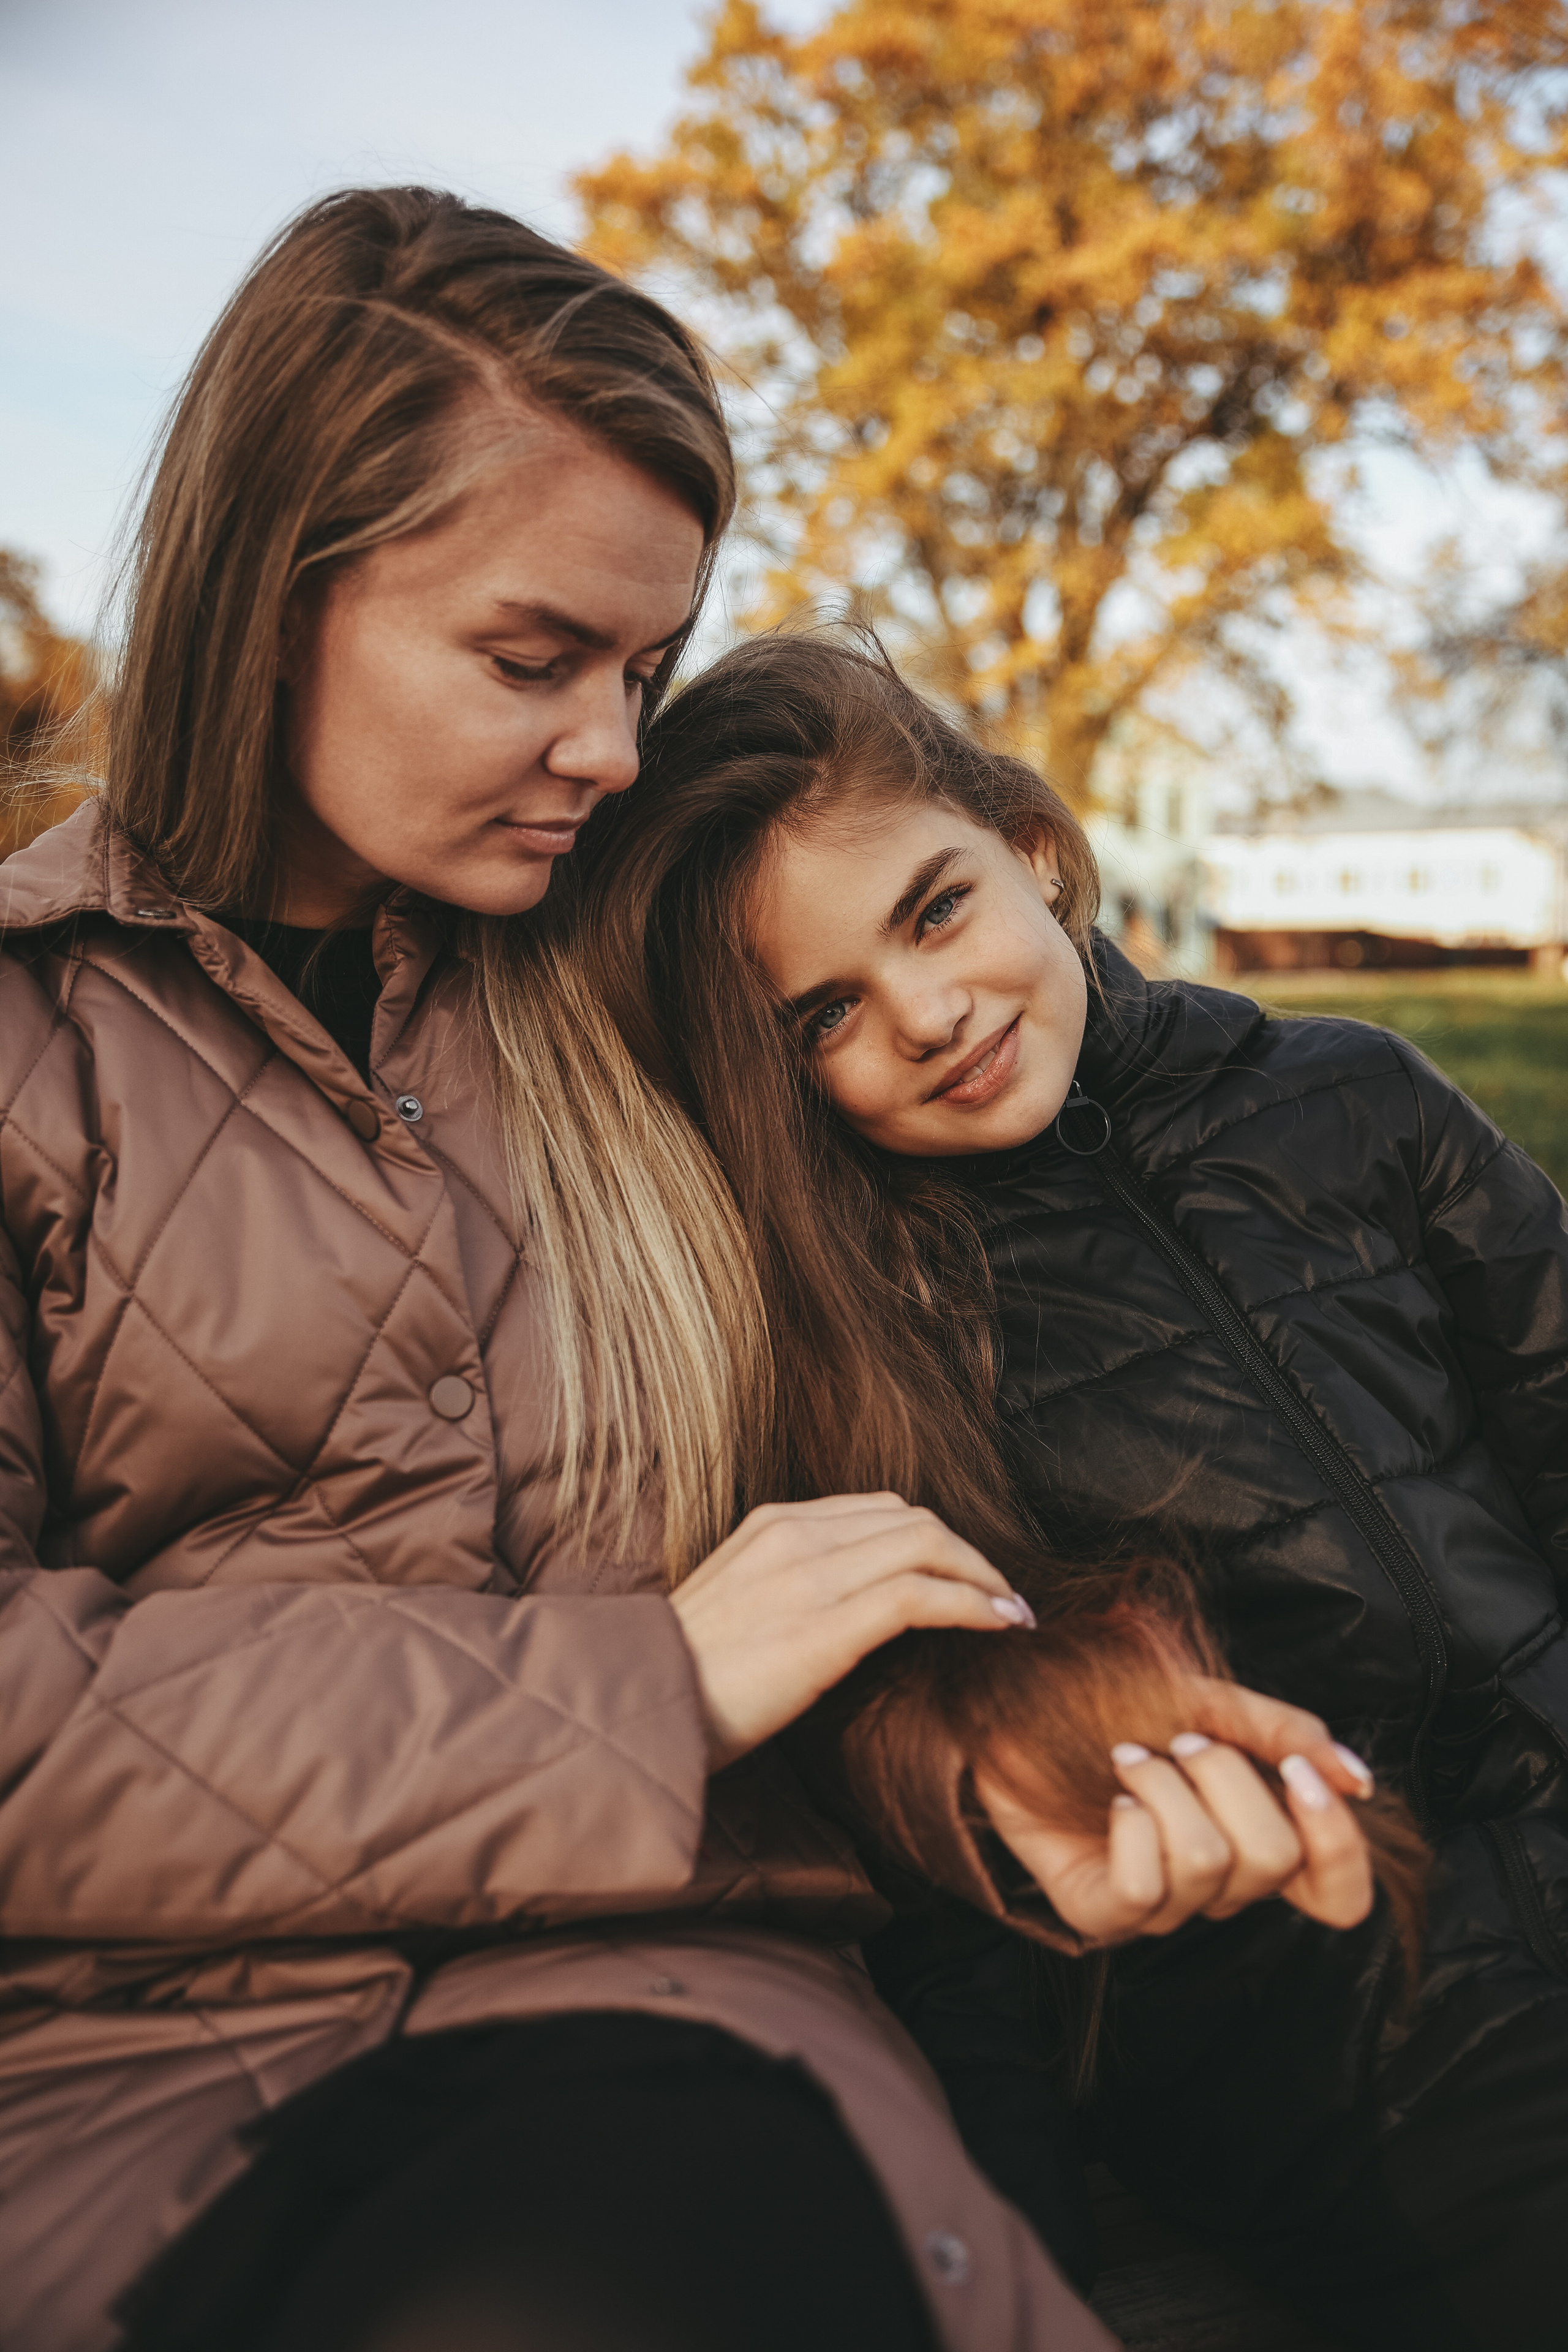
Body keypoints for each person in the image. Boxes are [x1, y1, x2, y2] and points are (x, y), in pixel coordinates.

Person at [0, 190, 1373, 2352]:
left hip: (667, 2041)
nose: (615, 755)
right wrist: (636, 1693)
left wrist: (1028, 1779)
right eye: (532, 661)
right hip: (115, 2075)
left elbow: (855, 1546)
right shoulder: (22, 1048)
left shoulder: (648, 1015)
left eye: (644, 671)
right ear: (272, 597)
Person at [569, 626, 1568, 2352]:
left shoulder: (1355, 1098)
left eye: (935, 911)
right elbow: (944, 1913)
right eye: (827, 1017)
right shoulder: (858, 1333)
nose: (929, 1015)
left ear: (1028, 846)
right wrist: (1022, 2265)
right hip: (1337, 2028)